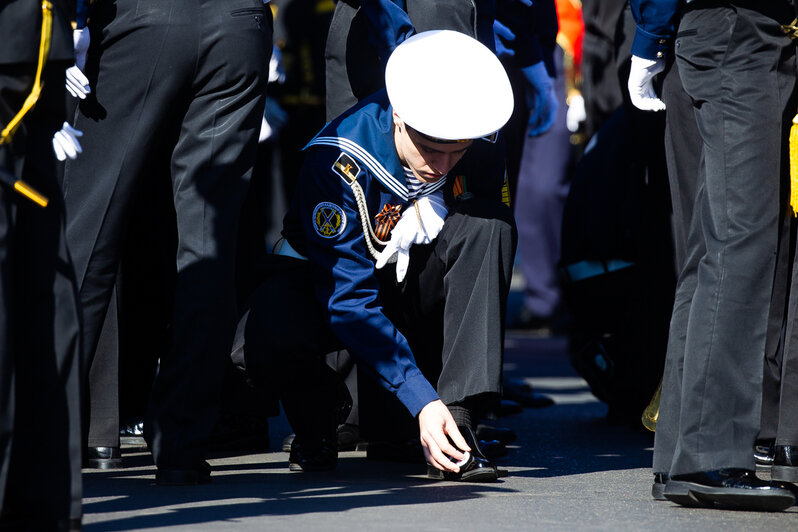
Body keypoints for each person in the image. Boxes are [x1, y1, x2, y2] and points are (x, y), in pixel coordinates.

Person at [232, 29, 516, 481]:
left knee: (489, 226)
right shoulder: (336, 160)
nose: (443, 166)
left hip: (416, 286)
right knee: (266, 334)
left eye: (455, 152)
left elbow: (475, 254)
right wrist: (420, 398)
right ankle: (321, 414)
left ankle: (461, 420)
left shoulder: (482, 135)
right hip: (335, 285)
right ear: (398, 115)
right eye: (430, 149)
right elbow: (348, 301)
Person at [61, 0, 273, 485]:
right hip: (240, 22)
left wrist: (67, 28)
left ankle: (50, 426)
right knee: (208, 247)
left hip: (146, 18)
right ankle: (183, 445)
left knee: (89, 235)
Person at [627, 0, 798, 511]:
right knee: (739, 242)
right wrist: (651, 32)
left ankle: (684, 450)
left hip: (748, 32)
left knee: (716, 245)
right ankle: (708, 454)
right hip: (739, 29)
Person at [0, 0, 84, 528]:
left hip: (26, 46)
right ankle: (38, 499)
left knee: (35, 283)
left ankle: (38, 499)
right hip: (28, 43)